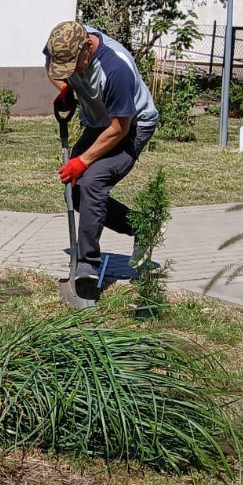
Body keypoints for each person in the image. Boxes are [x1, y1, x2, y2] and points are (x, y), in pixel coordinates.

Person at [43, 20, 159, 309]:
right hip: (99, 122)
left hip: (132, 125)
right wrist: (65, 90)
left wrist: (82, 161)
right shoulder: (61, 43)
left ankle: (87, 267)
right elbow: (51, 67)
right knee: (77, 191)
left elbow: (120, 128)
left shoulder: (116, 68)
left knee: (93, 181)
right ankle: (141, 226)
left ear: (88, 48)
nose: (70, 73)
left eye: (75, 67)